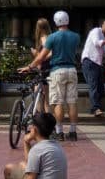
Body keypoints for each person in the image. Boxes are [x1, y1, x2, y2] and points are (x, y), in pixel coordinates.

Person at [23, 11, 81, 140]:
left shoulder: (52, 37)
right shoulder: (76, 36)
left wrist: (30, 66)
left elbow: (41, 57)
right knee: (72, 102)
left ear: (56, 22)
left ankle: (59, 132)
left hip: (57, 71)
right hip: (72, 70)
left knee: (57, 102)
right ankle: (73, 132)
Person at [4, 111, 68, 179]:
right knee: (22, 164)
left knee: (9, 168)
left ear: (34, 129)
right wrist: (26, 142)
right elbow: (30, 165)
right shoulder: (57, 146)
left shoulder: (37, 149)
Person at [81, 20, 105, 116]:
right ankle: (95, 108)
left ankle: (96, 107)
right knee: (93, 86)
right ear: (102, 25)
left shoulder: (104, 37)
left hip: (97, 64)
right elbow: (97, 43)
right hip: (90, 61)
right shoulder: (96, 31)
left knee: (100, 88)